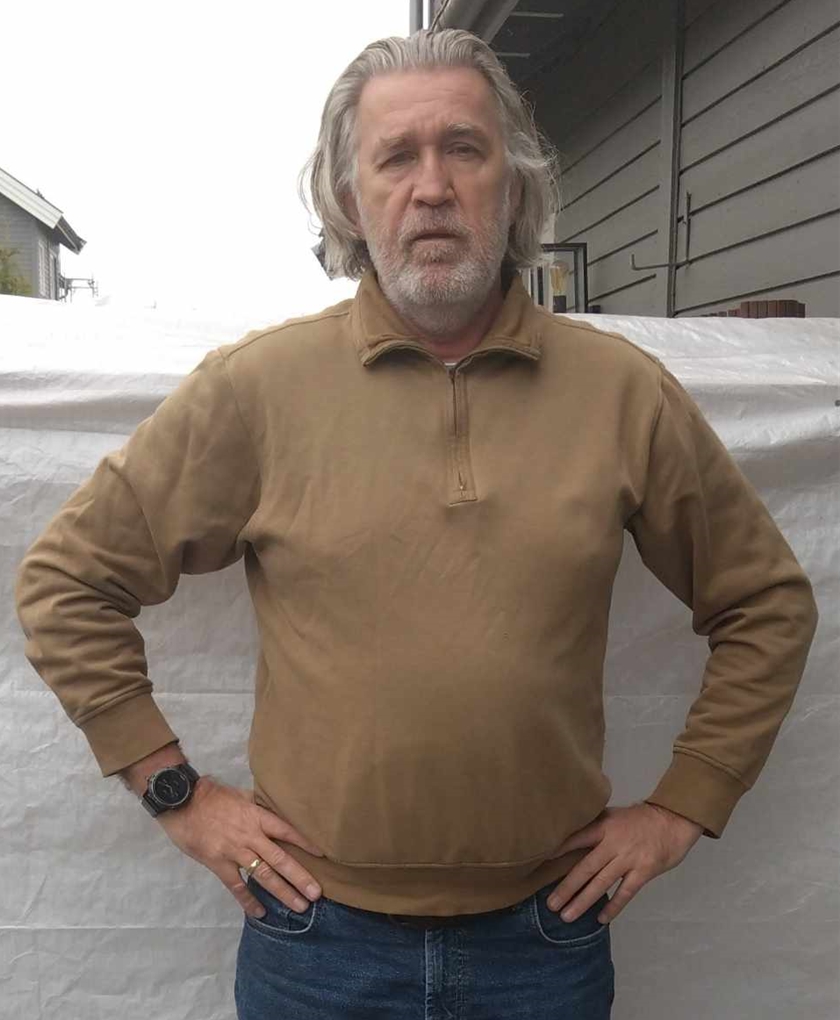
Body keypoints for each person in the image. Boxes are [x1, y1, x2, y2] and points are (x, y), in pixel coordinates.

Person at [15, 28, 817, 1020]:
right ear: (350, 200)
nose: (431, 187)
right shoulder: (257, 391)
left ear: (513, 185)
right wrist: (178, 794)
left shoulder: (622, 395)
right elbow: (67, 582)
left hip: (546, 945)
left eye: (463, 149)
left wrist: (684, 804)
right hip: (315, 946)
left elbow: (765, 605)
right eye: (396, 157)